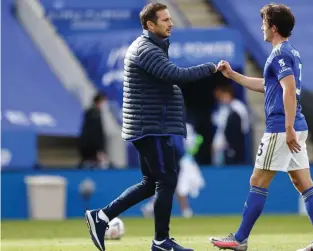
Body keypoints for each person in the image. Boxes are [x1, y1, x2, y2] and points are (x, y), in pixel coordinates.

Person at [84, 3, 217, 251]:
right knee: (166, 180)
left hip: (149, 125)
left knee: (150, 183)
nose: (171, 23)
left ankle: (101, 217)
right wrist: (211, 68)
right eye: (165, 19)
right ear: (150, 25)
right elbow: (175, 75)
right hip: (150, 126)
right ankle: (160, 241)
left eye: (170, 18)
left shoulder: (150, 46)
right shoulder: (147, 49)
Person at [210, 4, 313, 251]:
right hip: (294, 124)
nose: (261, 27)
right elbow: (269, 85)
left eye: (264, 23)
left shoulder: (280, 54)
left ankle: (240, 238)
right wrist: (233, 75)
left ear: (273, 27)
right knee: (303, 182)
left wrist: (287, 128)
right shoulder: (289, 53)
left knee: (258, 179)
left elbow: (288, 90)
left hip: (281, 126)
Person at [141, 123, 205, 219]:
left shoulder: (182, 127)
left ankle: (185, 211)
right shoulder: (170, 127)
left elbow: (193, 144)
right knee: (169, 185)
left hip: (181, 160)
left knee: (176, 186)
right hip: (175, 159)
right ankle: (151, 207)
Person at [212, 83, 250, 165]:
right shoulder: (222, 108)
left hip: (235, 142)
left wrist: (234, 143)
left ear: (228, 94)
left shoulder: (238, 107)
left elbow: (244, 127)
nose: (220, 99)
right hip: (222, 143)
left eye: (222, 96)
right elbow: (220, 127)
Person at [78, 92, 108, 168]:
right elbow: (94, 132)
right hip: (90, 147)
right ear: (99, 101)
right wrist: (100, 149)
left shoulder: (97, 113)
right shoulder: (93, 114)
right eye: (103, 101)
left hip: (92, 147)